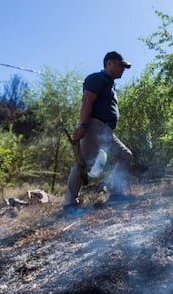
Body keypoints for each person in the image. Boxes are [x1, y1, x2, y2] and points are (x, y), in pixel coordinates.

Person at [62, 51, 134, 214]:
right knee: (84, 163)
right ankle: (69, 205)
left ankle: (115, 195)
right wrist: (83, 125)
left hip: (105, 130)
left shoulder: (109, 83)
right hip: (94, 127)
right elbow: (87, 100)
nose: (123, 69)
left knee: (125, 155)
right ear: (110, 64)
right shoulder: (97, 78)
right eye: (121, 65)